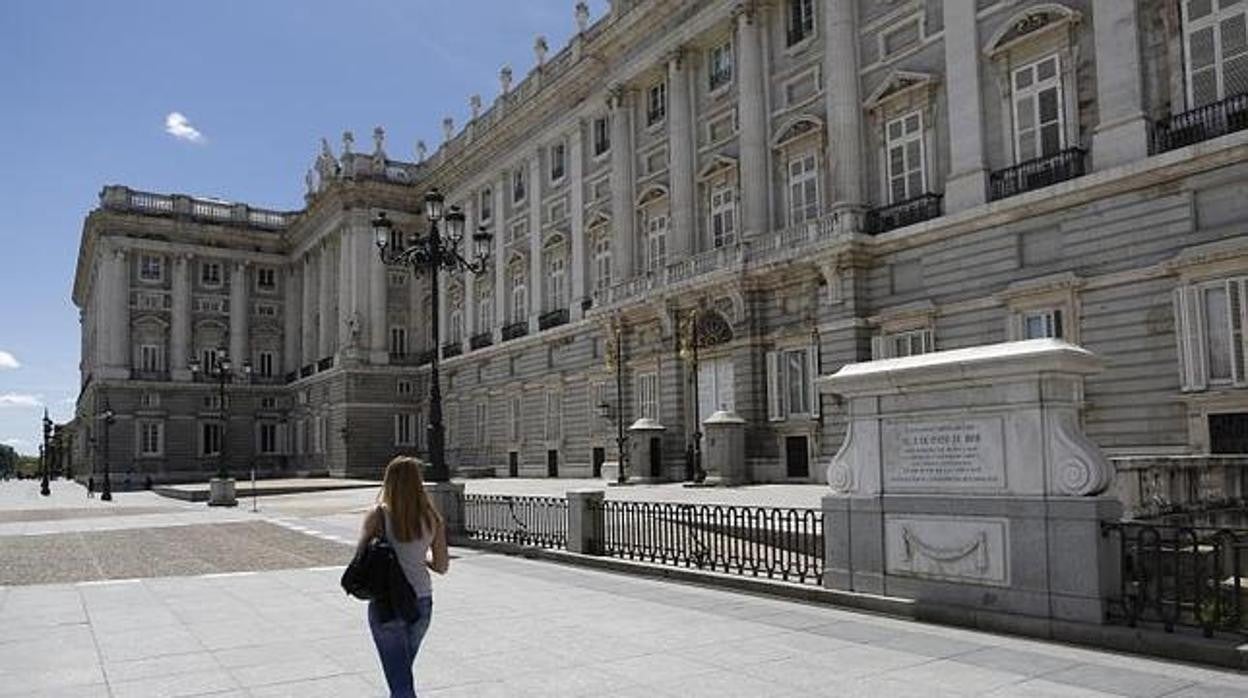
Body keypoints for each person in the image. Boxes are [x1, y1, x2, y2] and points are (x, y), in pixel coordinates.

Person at [358, 456, 448, 697]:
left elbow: (361, 558)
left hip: (387, 602)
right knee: (401, 673)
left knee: (400, 681)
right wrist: (420, 558)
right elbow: (441, 566)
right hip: (421, 601)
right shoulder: (433, 518)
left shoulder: (378, 515)